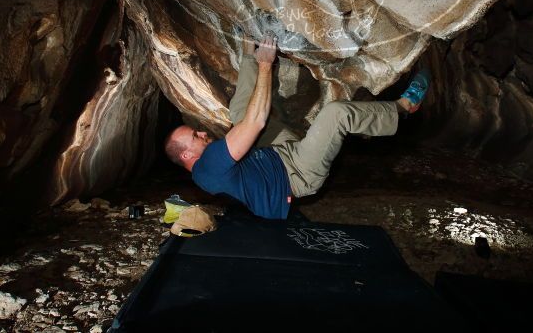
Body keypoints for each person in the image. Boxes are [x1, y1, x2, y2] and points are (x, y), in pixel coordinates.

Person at [164, 34, 430, 219]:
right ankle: (404, 108)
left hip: (272, 153)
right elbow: (256, 122)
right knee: (335, 114)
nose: (201, 132)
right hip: (298, 174)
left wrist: (251, 54)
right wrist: (266, 64)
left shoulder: (208, 169)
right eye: (195, 136)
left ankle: (248, 51)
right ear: (187, 155)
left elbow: (247, 121)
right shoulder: (207, 167)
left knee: (238, 113)